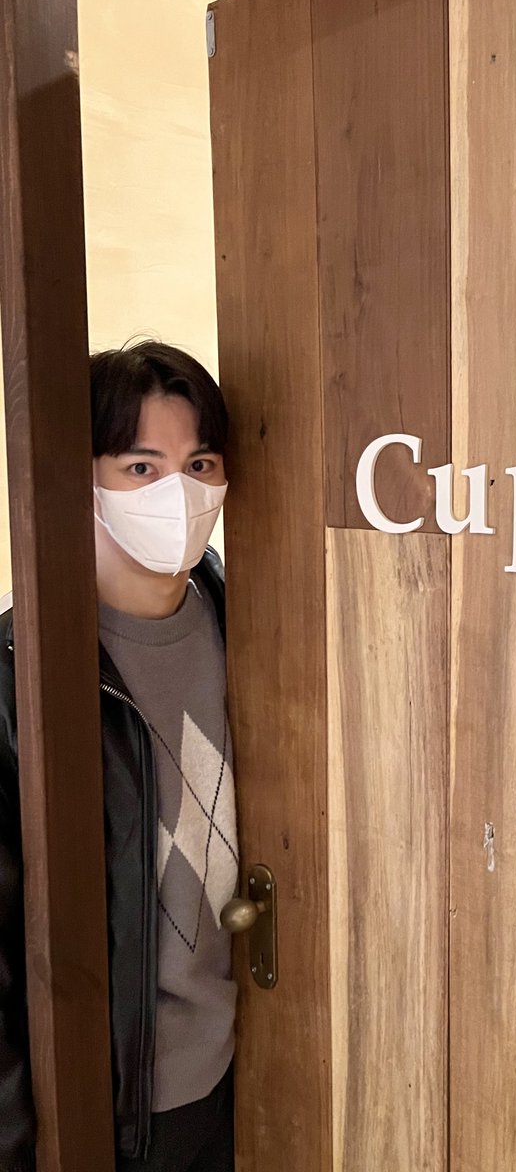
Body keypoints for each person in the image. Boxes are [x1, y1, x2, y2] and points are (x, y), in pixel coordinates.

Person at [0, 341, 238, 1172]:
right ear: (83, 480)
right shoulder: (20, 677)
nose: (180, 492)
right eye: (142, 467)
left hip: (250, 1072)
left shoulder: (246, 621)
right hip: (118, 1110)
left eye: (199, 464)